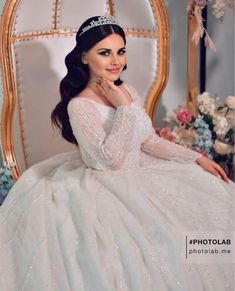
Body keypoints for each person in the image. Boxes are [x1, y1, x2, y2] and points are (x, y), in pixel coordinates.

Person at [0, 14, 234, 291]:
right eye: (105, 53)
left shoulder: (127, 90)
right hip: (105, 185)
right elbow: (109, 160)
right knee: (161, 245)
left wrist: (197, 158)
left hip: (145, 173)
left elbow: (147, 141)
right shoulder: (80, 105)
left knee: (205, 219)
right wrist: (122, 107)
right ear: (85, 57)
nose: (116, 61)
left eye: (120, 51)